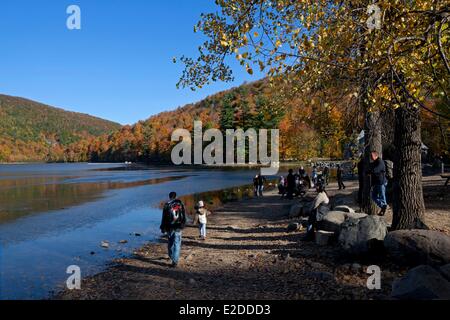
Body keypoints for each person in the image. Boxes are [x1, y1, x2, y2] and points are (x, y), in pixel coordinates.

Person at [160, 192, 186, 268]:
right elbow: (184, 215)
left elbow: (164, 217)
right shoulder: (180, 204)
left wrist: (162, 227)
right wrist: (183, 224)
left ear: (169, 197)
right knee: (177, 243)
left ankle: (171, 256)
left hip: (169, 227)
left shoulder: (167, 205)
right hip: (178, 227)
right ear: (176, 196)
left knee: (170, 242)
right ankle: (175, 261)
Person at [367, 151, 388, 216]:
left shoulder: (380, 162)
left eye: (371, 155)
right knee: (373, 196)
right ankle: (383, 206)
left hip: (381, 182)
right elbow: (372, 171)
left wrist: (370, 171)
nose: (370, 157)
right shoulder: (374, 163)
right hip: (376, 183)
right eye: (370, 156)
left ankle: (383, 209)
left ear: (376, 155)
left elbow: (376, 170)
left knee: (382, 196)